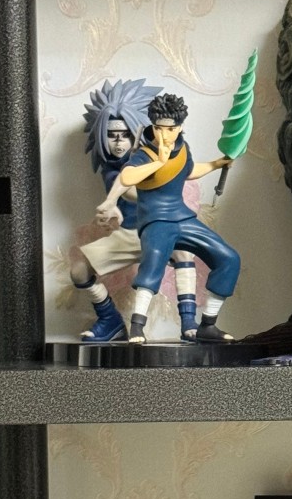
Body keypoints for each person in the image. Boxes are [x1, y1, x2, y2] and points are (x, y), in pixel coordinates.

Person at [69, 78, 198, 342]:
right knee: (79, 270)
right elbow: (127, 191)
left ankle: (189, 323)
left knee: (184, 252)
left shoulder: (162, 159)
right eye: (111, 135)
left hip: (161, 230)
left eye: (125, 135)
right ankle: (110, 319)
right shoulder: (111, 171)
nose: (118, 143)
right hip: (129, 235)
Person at [118, 92, 240, 343]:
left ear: (180, 127)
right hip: (155, 221)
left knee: (228, 258)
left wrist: (216, 163)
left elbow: (189, 170)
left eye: (170, 129)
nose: (164, 135)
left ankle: (208, 325)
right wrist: (159, 162)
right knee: (153, 261)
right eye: (159, 128)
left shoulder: (182, 149)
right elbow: (127, 178)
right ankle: (137, 326)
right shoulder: (144, 155)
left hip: (182, 217)